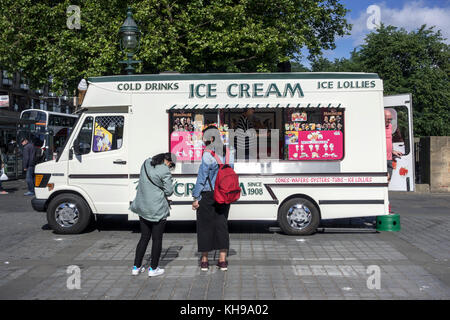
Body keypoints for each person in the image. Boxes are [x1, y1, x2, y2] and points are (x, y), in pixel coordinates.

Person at [192, 126, 235, 272]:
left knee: (204, 226)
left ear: (210, 138)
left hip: (209, 194)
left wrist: (196, 197)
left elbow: (202, 178)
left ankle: (204, 260)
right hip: (225, 194)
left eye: (204, 138)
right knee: (222, 225)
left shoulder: (207, 154)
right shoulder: (229, 153)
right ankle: (222, 261)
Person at [130, 152, 175, 277]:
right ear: (168, 161)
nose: (169, 167)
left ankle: (136, 267)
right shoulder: (165, 171)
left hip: (142, 206)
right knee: (157, 239)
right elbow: (169, 191)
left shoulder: (146, 163)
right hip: (157, 209)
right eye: (170, 164)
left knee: (144, 237)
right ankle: (153, 269)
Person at [384, 109, 403, 183]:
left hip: (389, 158)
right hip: (382, 159)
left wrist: (393, 151)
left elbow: (389, 141)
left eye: (390, 119)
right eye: (388, 119)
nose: (389, 121)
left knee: (388, 180)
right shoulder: (379, 128)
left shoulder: (390, 126)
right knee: (385, 180)